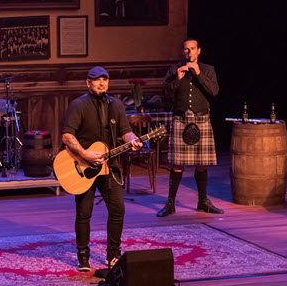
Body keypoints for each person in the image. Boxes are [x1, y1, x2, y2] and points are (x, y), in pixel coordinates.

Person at [60, 66, 141, 271]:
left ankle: (113, 254)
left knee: (117, 210)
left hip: (110, 166)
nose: (102, 83)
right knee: (84, 213)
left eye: (105, 79)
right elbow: (67, 136)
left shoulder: (117, 105)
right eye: (97, 80)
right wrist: (84, 154)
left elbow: (125, 132)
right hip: (84, 166)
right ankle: (83, 256)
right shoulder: (78, 105)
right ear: (88, 83)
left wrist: (133, 140)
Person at [157, 38, 223, 217]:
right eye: (186, 50)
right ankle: (170, 203)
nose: (189, 52)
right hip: (181, 120)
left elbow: (214, 92)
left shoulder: (208, 70)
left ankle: (203, 202)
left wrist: (199, 73)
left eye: (192, 49)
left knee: (201, 164)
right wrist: (177, 79)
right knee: (177, 164)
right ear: (183, 52)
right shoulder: (174, 70)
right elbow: (165, 94)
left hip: (202, 120)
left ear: (199, 51)